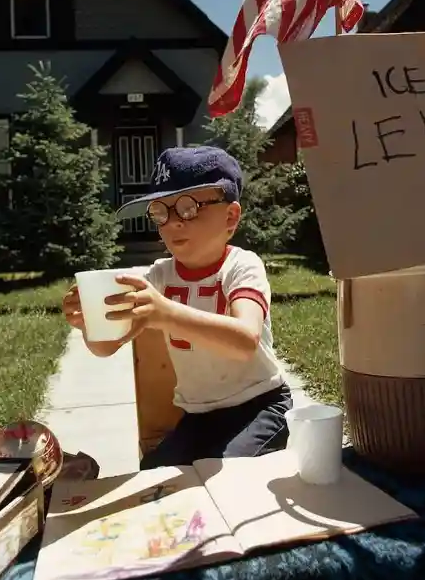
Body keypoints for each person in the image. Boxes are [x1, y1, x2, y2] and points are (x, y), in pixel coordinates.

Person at [62, 146, 292, 469]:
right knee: (153, 475)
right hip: (198, 417)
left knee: (222, 479)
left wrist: (166, 313)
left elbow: (244, 341)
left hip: (260, 408)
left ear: (231, 217)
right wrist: (89, 323)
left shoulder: (242, 266)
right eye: (160, 212)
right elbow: (106, 346)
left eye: (188, 208)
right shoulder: (159, 276)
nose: (172, 224)